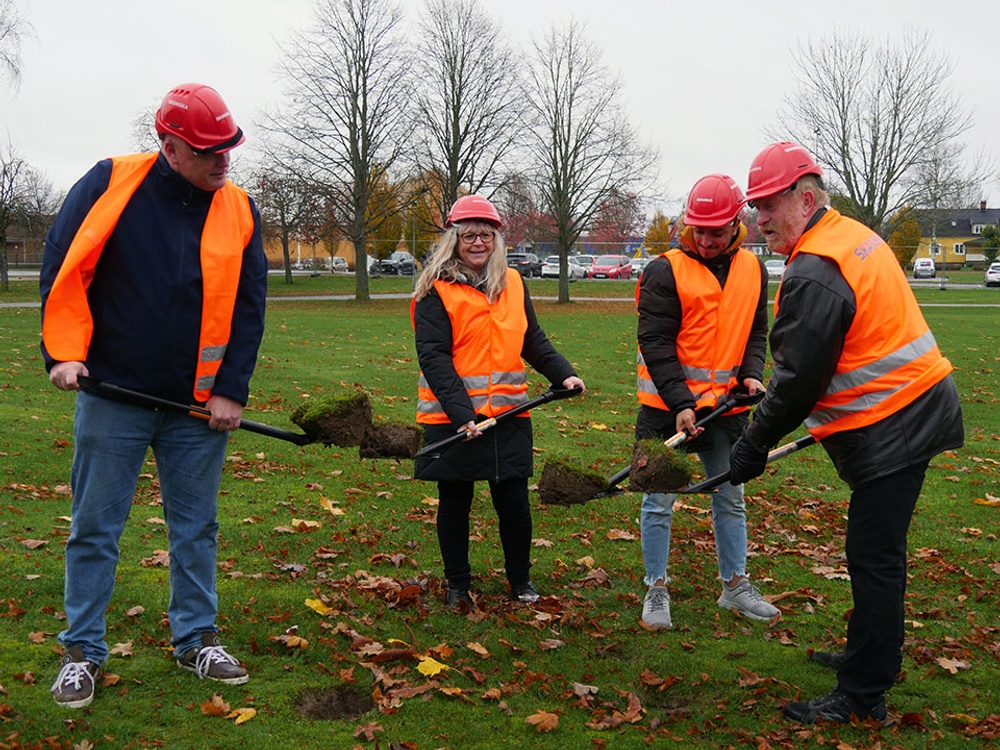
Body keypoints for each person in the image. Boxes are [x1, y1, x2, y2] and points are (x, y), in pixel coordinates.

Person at [40, 83, 268, 708]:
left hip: (197, 406)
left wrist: (231, 392)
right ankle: (82, 650)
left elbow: (250, 310)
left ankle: (196, 638)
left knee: (196, 528)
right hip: (112, 392)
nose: (223, 160)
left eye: (229, 148)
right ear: (169, 147)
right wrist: (64, 353)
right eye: (208, 151)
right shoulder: (111, 182)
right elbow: (65, 264)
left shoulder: (239, 208)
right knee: (94, 527)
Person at [729, 142, 964, 724]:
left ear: (805, 199)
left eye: (768, 207)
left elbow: (797, 380)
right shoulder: (848, 234)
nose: (759, 221)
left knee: (874, 557)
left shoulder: (816, 268)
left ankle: (863, 694)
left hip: (897, 423)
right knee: (873, 553)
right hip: (914, 405)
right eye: (755, 208)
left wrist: (752, 443)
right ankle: (864, 655)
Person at [412, 195, 585, 610]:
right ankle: (457, 584)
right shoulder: (434, 291)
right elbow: (434, 358)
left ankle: (520, 580)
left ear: (496, 240)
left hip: (508, 415)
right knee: (456, 502)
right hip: (454, 419)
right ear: (453, 239)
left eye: (485, 235)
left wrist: (563, 373)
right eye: (468, 235)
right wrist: (462, 417)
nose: (477, 243)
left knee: (514, 503)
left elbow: (532, 339)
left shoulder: (512, 283)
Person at [635, 174, 779, 629]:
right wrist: (681, 402)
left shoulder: (753, 269)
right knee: (658, 502)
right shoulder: (664, 269)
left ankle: (735, 586)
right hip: (665, 410)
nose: (706, 239)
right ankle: (656, 589)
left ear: (738, 223)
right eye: (698, 230)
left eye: (716, 231)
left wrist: (752, 374)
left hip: (725, 410)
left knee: (730, 498)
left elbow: (757, 330)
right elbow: (654, 342)